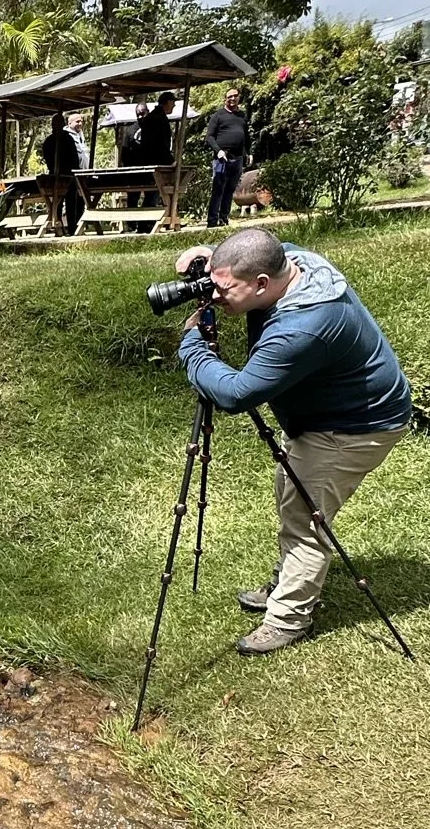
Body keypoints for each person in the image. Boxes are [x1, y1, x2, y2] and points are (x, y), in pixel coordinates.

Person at [174, 228, 412, 656]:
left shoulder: (304, 326)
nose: (215, 296)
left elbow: (236, 393)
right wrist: (211, 258)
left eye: (222, 288)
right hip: (328, 415)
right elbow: (262, 248)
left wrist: (193, 348)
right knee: (291, 494)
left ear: (262, 284)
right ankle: (288, 583)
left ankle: (288, 617)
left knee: (305, 519)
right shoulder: (293, 262)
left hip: (353, 428)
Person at [203, 88, 251, 228]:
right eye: (230, 96)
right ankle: (212, 221)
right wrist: (218, 151)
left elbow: (246, 136)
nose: (233, 98)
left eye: (235, 96)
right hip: (221, 159)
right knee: (218, 190)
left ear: (238, 98)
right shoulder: (218, 116)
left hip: (238, 158)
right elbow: (209, 137)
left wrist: (249, 152)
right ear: (225, 99)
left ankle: (224, 218)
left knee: (230, 190)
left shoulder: (242, 116)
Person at [37, 111, 85, 234]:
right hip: (56, 176)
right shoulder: (49, 141)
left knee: (71, 203)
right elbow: (48, 159)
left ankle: (72, 227)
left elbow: (74, 159)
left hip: (68, 175)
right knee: (57, 202)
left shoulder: (68, 139)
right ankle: (57, 226)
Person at [122, 93, 177, 167]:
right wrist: (171, 161)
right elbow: (161, 145)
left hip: (148, 163)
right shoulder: (159, 119)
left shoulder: (153, 117)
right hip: (155, 163)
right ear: (169, 102)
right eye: (173, 102)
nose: (174, 105)